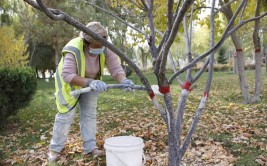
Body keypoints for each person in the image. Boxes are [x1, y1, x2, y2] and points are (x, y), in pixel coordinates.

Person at [48, 22, 134, 162]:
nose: (100, 48)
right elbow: (68, 75)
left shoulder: (105, 46)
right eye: (97, 45)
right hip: (69, 85)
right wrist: (89, 82)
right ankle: (55, 149)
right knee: (65, 117)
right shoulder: (73, 48)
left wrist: (123, 80)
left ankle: (90, 147)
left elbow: (116, 69)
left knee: (89, 115)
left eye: (102, 44)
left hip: (92, 84)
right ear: (87, 43)